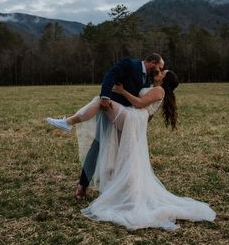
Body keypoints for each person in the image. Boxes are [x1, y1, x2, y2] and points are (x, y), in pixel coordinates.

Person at [47, 69, 216, 230]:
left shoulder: (159, 90)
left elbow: (140, 102)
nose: (157, 73)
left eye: (161, 73)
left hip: (132, 118)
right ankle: (120, 188)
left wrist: (121, 91)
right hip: (134, 119)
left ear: (164, 80)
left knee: (100, 100)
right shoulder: (157, 90)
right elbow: (148, 114)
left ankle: (68, 123)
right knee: (123, 154)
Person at [47, 53, 164, 200]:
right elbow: (111, 75)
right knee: (98, 146)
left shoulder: (150, 80)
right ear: (151, 62)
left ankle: (123, 191)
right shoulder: (130, 64)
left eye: (161, 70)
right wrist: (105, 96)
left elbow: (143, 105)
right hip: (111, 110)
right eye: (159, 67)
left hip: (125, 118)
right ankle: (83, 185)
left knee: (121, 154)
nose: (159, 70)